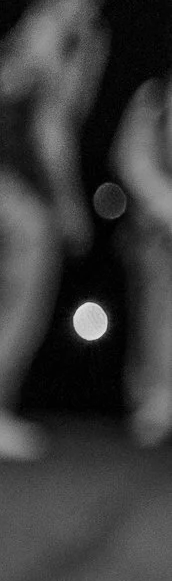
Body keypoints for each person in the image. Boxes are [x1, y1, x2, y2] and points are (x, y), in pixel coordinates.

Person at [0, 0, 109, 463]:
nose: (91, 13)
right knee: (16, 307)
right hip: (22, 196)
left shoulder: (18, 42)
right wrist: (69, 206)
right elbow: (49, 136)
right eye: (86, 1)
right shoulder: (47, 46)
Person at [110, 66, 172, 449]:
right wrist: (165, 205)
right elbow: (130, 157)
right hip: (157, 229)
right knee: (155, 318)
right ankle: (155, 405)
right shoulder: (155, 96)